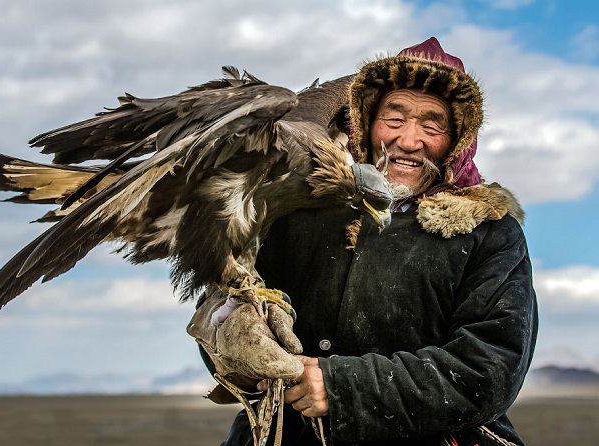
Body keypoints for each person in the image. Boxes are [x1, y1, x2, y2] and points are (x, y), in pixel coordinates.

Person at [219, 37, 538, 446]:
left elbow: (490, 369)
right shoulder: (296, 211)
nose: (409, 141)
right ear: (366, 124)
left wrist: (340, 388)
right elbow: (234, 302)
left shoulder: (488, 232)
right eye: (395, 117)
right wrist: (232, 338)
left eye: (432, 124)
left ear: (457, 139)